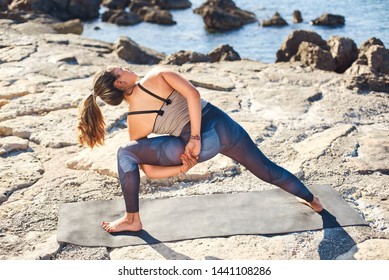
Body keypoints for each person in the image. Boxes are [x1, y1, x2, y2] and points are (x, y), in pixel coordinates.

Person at [78, 65, 323, 233]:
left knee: (126, 152)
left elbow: (150, 171)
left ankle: (132, 219)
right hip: (222, 128)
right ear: (120, 82)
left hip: (195, 147)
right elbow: (193, 94)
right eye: (122, 70)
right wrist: (195, 136)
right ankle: (314, 201)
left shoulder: (135, 121)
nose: (127, 68)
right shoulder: (156, 74)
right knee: (268, 170)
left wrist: (181, 167)